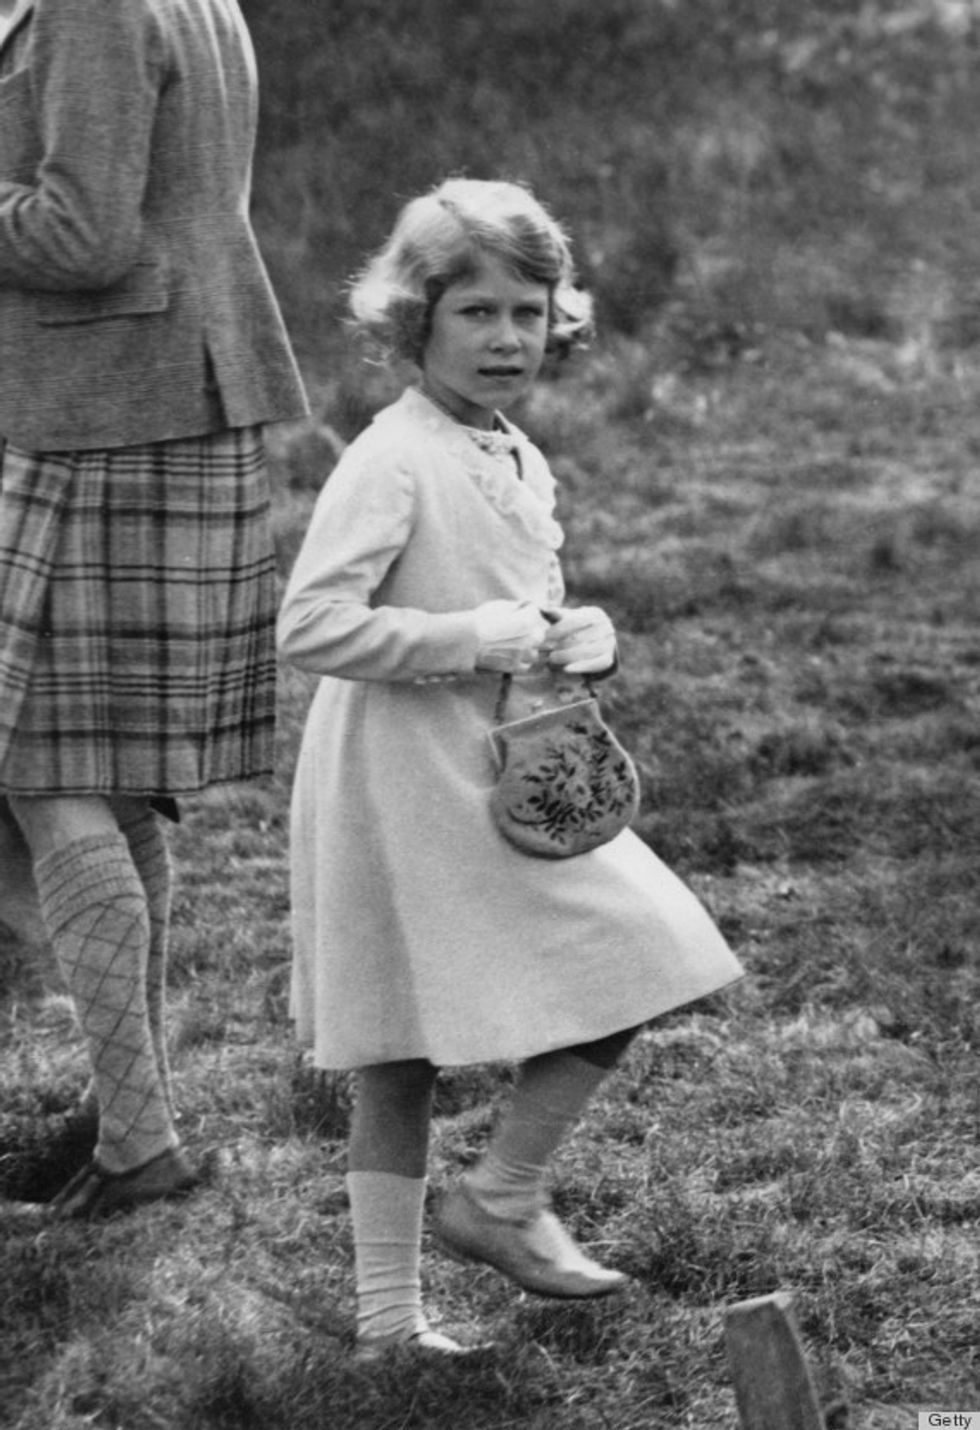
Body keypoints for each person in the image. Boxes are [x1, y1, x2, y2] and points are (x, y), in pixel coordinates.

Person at [277, 178, 742, 1360]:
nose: (505, 338)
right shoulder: (391, 456)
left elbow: (517, 601)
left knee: (649, 945)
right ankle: (391, 1318)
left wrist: (580, 635)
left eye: (528, 312)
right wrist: (467, 636)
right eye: (474, 310)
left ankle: (497, 1192)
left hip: (501, 758)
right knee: (396, 1043)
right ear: (413, 317)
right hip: (392, 771)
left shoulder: (512, 450)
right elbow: (311, 625)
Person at [0, 0, 308, 1217]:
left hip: (113, 405)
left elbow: (83, 235)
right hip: (148, 392)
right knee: (103, 773)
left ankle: (138, 1138)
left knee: (41, 765)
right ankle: (135, 1123)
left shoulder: (87, 4)